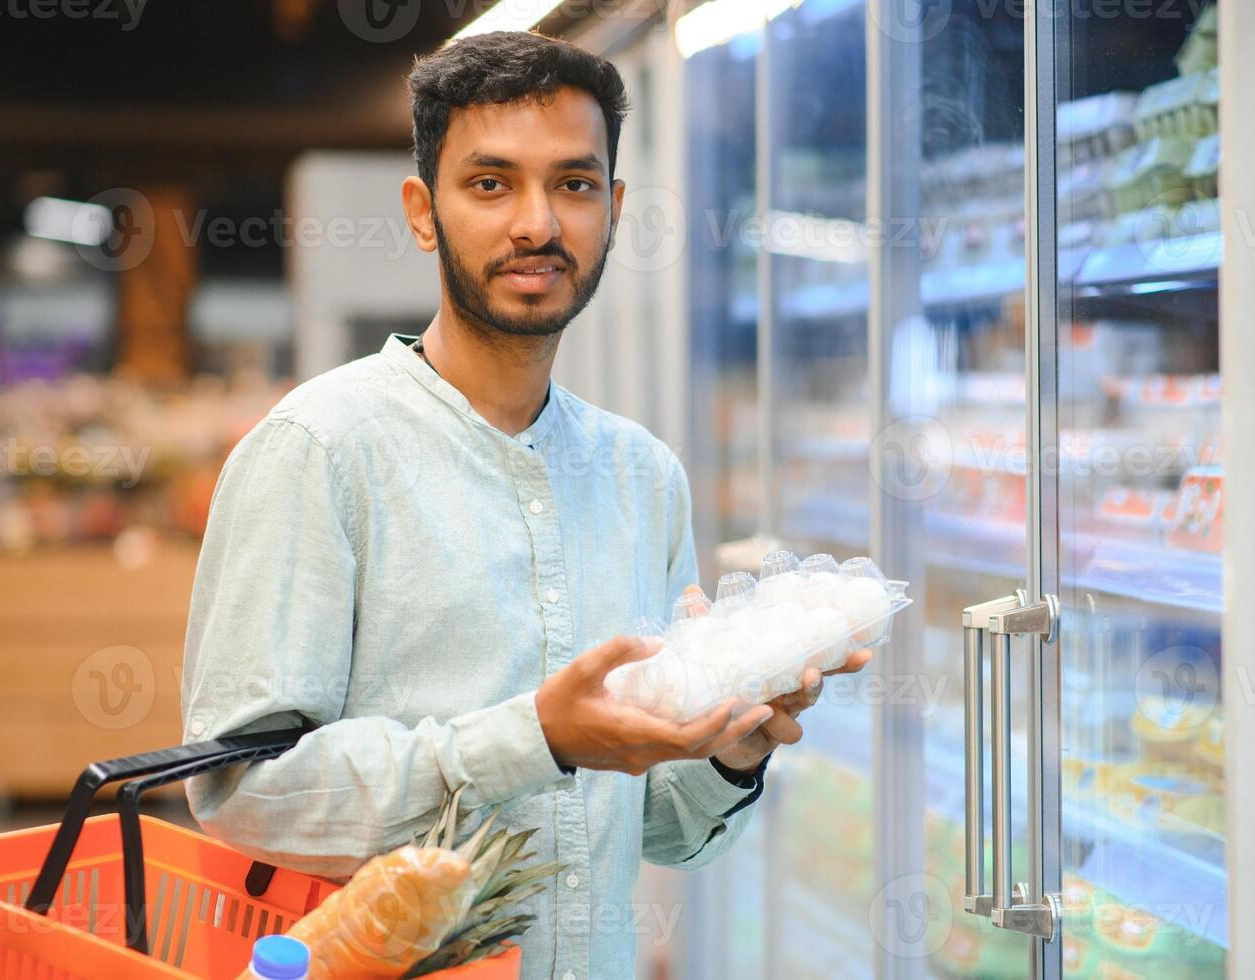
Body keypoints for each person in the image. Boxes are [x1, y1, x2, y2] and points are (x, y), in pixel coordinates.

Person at [180, 30, 870, 978]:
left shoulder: (641, 477)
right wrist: (533, 739)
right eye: (491, 183)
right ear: (423, 212)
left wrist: (729, 751)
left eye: (575, 185)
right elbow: (239, 788)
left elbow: (657, 827)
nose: (537, 224)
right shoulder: (319, 450)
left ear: (615, 210)